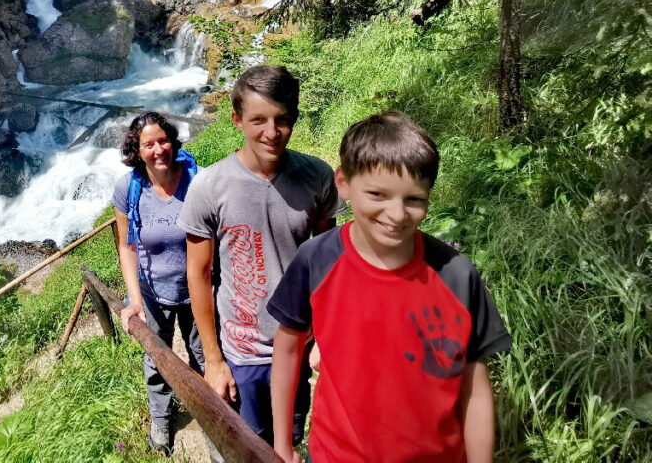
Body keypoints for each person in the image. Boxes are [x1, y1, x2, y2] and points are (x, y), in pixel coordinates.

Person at [268, 112, 512, 463]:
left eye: (414, 199)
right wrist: (281, 443)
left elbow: (475, 390)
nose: (396, 214)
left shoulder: (456, 275)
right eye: (377, 194)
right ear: (344, 183)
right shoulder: (316, 259)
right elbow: (288, 349)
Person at [177, 65, 341, 446]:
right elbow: (198, 276)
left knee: (290, 438)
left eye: (282, 120)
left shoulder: (316, 177)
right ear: (236, 119)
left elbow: (326, 262)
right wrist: (214, 361)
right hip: (243, 350)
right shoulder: (209, 186)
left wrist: (325, 335)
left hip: (299, 342)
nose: (271, 133)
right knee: (250, 442)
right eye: (258, 120)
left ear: (295, 118)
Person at [112, 111, 203, 455]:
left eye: (163, 140)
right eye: (148, 144)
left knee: (205, 358)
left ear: (173, 141)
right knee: (156, 358)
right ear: (137, 150)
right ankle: (161, 420)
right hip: (152, 294)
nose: (159, 149)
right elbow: (126, 245)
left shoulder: (198, 180)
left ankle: (212, 417)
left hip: (198, 293)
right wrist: (134, 300)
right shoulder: (129, 188)